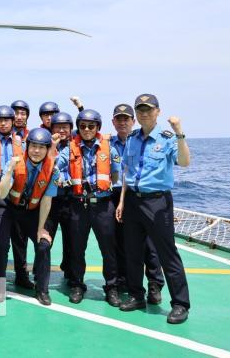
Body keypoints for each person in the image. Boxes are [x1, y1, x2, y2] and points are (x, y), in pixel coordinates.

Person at [116, 94, 191, 324]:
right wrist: (121, 201)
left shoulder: (167, 138)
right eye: (140, 110)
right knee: (133, 252)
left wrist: (179, 132)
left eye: (148, 109)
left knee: (167, 254)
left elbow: (185, 162)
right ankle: (137, 296)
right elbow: (127, 173)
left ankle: (180, 304)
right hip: (133, 201)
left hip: (157, 202)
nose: (144, 113)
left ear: (157, 112)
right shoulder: (132, 139)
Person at [56, 109, 121, 307]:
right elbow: (55, 167)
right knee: (77, 248)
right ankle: (77, 285)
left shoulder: (109, 149)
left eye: (91, 126)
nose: (86, 129)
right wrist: (64, 179)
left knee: (109, 249)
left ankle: (112, 288)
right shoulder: (69, 149)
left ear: (98, 127)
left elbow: (117, 174)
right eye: (82, 126)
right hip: (78, 205)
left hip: (103, 206)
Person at [0, 128, 60, 304]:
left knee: (44, 244)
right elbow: (1, 194)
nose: (36, 151)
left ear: (48, 149)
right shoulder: (15, 163)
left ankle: (42, 289)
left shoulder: (53, 171)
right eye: (33, 146)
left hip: (32, 212)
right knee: (1, 245)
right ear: (27, 146)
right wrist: (9, 171)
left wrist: (41, 229)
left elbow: (47, 200)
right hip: (9, 208)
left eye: (41, 147)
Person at [110, 104, 164, 302]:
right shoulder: (107, 142)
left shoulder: (141, 141)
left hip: (137, 194)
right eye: (119, 119)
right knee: (124, 242)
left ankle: (155, 284)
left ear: (133, 121)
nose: (123, 122)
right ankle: (127, 280)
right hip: (115, 196)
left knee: (150, 244)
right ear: (113, 122)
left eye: (126, 119)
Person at [0, 105, 34, 289]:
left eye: (6, 120)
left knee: (20, 239)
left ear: (13, 121)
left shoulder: (23, 140)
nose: (3, 123)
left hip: (17, 195)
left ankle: (22, 275)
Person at [46, 112, 75, 278]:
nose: (62, 130)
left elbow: (87, 123)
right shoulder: (45, 145)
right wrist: (53, 146)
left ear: (71, 129)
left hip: (71, 198)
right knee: (45, 240)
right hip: (51, 199)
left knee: (72, 238)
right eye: (58, 127)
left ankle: (70, 273)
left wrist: (79, 106)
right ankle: (40, 273)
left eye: (65, 127)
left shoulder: (77, 145)